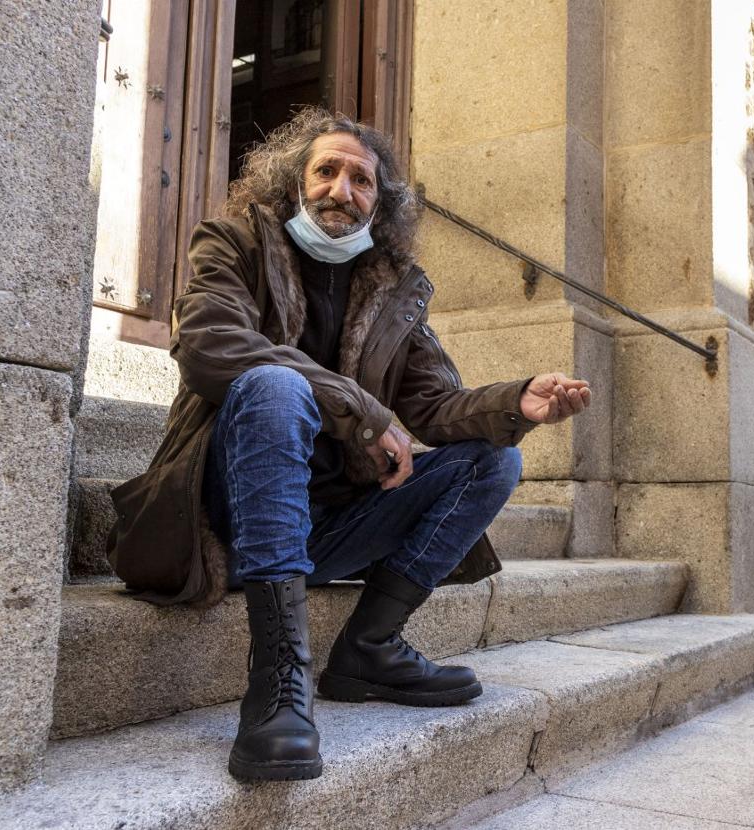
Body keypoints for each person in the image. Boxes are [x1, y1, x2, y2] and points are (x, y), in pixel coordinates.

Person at [106, 108, 592, 782]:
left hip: (327, 529)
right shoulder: (234, 242)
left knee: (494, 459)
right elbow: (212, 345)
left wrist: (516, 401)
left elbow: (433, 407)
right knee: (274, 387)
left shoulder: (393, 288)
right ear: (291, 183)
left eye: (362, 180)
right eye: (326, 171)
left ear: (379, 201)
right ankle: (279, 684)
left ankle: (369, 646)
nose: (342, 190)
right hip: (218, 524)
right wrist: (360, 409)